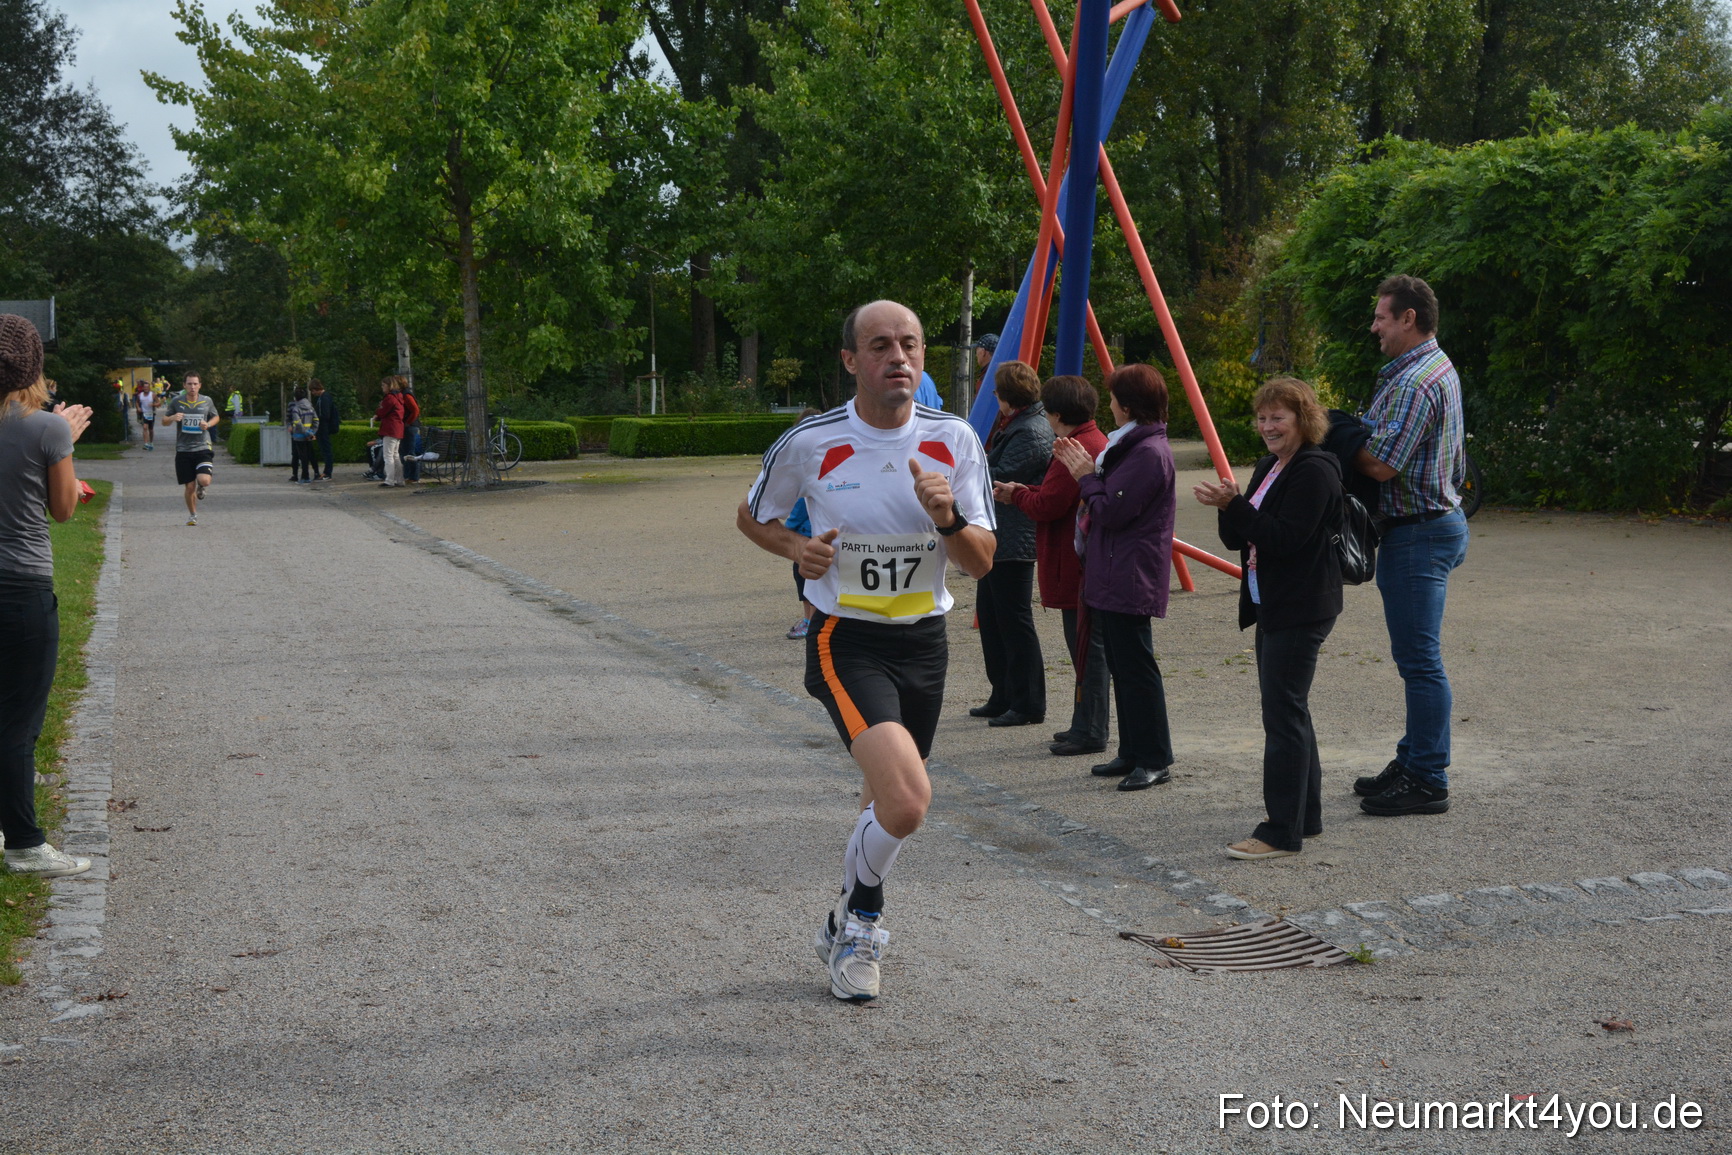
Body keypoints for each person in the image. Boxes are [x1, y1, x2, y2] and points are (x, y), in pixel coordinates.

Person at [736, 299, 995, 1002]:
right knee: (908, 801)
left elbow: (982, 560)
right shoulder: (812, 442)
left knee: (880, 800)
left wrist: (946, 517)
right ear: (852, 360)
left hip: (925, 641)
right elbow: (752, 516)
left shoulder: (956, 440)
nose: (899, 357)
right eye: (880, 345)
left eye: (909, 343)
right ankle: (863, 925)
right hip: (845, 638)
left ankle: (840, 921)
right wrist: (797, 547)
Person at [1194, 378, 1344, 859]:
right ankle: (1307, 814)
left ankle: (1281, 831)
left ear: (1302, 419)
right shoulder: (1269, 466)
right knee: (1290, 709)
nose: (1267, 427)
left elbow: (1286, 539)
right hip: (1270, 603)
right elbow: (1240, 540)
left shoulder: (1315, 469)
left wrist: (1234, 504)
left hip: (1302, 605)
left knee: (1281, 715)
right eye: (1262, 418)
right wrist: (1228, 504)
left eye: (1277, 417)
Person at [1351, 274, 1468, 817]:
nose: (1373, 325)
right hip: (1431, 523)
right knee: (1416, 658)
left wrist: (1330, 439)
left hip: (1418, 532)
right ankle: (1415, 756)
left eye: (1381, 316)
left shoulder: (1416, 381)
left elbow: (1380, 463)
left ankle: (1427, 777)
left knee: (1420, 661)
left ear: (1408, 318)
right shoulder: (1429, 367)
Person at [1051, 364, 1177, 792]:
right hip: (1115, 569)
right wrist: (1091, 476)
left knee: (1137, 667)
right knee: (1123, 667)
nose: (1109, 405)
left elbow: (1112, 511)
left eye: (1113, 398)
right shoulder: (1131, 446)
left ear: (1127, 405)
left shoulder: (1147, 452)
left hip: (1131, 572)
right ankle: (1132, 750)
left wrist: (1085, 476)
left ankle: (1155, 757)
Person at [0, 314, 94, 878]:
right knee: (17, 723)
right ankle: (26, 846)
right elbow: (63, 510)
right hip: (22, 588)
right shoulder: (48, 429)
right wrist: (65, 441)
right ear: (34, 366)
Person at [994, 375, 1110, 756]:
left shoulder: (1075, 447)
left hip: (1074, 564)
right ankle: (1083, 723)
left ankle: (1091, 729)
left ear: (1058, 414)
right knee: (1084, 650)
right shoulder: (1093, 440)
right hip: (1079, 562)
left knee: (1086, 651)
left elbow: (1050, 504)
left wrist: (1018, 495)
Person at [968, 360, 1052, 727]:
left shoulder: (1031, 431)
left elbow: (1001, 475)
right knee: (992, 617)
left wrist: (968, 470)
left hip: (1014, 538)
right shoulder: (1021, 425)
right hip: (999, 536)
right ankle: (1002, 692)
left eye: (997, 392)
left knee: (1015, 622)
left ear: (1006, 396)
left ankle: (1028, 702)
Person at [162, 374, 220, 526]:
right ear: (184, 385)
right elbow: (164, 421)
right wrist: (173, 417)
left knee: (204, 480)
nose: (192, 387)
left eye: (195, 384)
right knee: (189, 487)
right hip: (183, 449)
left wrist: (208, 424)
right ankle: (193, 514)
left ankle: (202, 486)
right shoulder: (176, 402)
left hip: (203, 447)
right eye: (189, 384)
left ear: (200, 385)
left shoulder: (207, 401)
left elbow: (216, 417)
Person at [374, 376, 405, 488]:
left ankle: (389, 480)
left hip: (390, 428)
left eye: (383, 385)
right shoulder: (399, 397)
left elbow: (382, 412)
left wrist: (378, 411)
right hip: (398, 428)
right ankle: (399, 479)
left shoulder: (389, 398)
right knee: (395, 455)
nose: (382, 388)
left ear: (389, 386)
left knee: (388, 455)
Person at [287, 384, 319, 484]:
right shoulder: (311, 407)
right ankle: (311, 475)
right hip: (308, 435)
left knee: (303, 457)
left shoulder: (296, 408)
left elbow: (298, 423)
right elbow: (316, 420)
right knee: (308, 455)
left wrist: (305, 432)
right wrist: (312, 432)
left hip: (299, 436)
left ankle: (304, 477)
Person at [309, 379, 339, 480]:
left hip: (323, 427)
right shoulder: (324, 397)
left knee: (326, 450)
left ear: (316, 389)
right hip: (323, 427)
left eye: (313, 391)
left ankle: (327, 473)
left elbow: (325, 415)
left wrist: (316, 418)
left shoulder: (324, 398)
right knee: (325, 449)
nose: (313, 394)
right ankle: (327, 472)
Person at [398, 378, 422, 482]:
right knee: (405, 451)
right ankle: (408, 475)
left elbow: (415, 410)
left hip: (410, 426)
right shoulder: (404, 394)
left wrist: (408, 422)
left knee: (409, 451)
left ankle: (413, 476)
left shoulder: (406, 395)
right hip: (409, 425)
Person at [135, 383, 157, 451]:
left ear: (149, 388)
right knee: (145, 427)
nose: (146, 388)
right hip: (144, 413)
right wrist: (138, 408)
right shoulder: (140, 395)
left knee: (150, 430)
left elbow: (159, 403)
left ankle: (151, 442)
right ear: (143, 388)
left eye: (147, 387)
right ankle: (146, 443)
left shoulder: (152, 395)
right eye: (144, 387)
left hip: (151, 413)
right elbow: (137, 402)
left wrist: (153, 404)